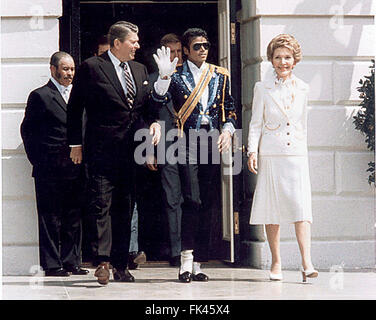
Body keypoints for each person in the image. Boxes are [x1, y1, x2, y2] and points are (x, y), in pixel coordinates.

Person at [67, 21, 161, 285]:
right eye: (133, 41)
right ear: (117, 43)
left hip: (130, 154)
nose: (138, 46)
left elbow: (144, 109)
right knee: (100, 207)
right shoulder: (92, 67)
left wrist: (153, 122)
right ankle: (103, 262)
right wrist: (75, 144)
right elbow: (75, 108)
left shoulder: (140, 69)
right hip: (101, 151)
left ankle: (121, 264)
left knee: (125, 208)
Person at [151, 28, 237, 282]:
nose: (202, 50)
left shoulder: (220, 75)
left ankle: (198, 262)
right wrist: (164, 77)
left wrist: (229, 130)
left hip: (211, 141)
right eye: (197, 46)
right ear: (186, 50)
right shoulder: (176, 76)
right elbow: (157, 100)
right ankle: (185, 260)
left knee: (208, 203)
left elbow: (229, 107)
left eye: (206, 45)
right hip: (186, 141)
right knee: (192, 199)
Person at [247, 34, 318, 282]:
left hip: (296, 155)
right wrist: (252, 151)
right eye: (278, 57)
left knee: (301, 208)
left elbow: (304, 126)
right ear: (271, 60)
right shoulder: (261, 88)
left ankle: (306, 262)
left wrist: (303, 152)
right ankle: (276, 262)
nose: (283, 62)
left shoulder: (304, 88)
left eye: (287, 57)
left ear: (295, 60)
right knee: (272, 209)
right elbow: (256, 123)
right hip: (272, 154)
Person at [20, 51, 89, 277]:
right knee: (50, 217)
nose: (69, 73)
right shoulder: (40, 96)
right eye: (65, 69)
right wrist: (40, 161)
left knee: (74, 216)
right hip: (49, 169)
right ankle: (51, 265)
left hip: (76, 167)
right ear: (53, 69)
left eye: (72, 69)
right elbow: (28, 132)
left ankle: (72, 262)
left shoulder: (80, 95)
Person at [148, 33, 183, 267]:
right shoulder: (152, 80)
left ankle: (194, 250)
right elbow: (147, 115)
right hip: (166, 146)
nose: (176, 56)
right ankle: (176, 251)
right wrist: (148, 150)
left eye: (179, 51)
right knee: (172, 200)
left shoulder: (192, 78)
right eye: (171, 52)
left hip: (194, 146)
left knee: (194, 199)